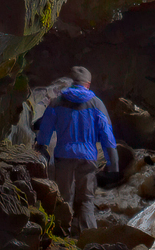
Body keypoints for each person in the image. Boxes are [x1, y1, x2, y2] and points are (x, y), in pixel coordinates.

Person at [33, 68, 119, 233]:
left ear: (72, 82)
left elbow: (45, 128)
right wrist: (113, 162)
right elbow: (107, 135)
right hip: (87, 158)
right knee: (86, 199)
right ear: (87, 84)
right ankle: (88, 237)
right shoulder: (97, 103)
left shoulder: (57, 101)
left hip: (64, 157)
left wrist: (42, 146)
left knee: (63, 198)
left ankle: (60, 234)